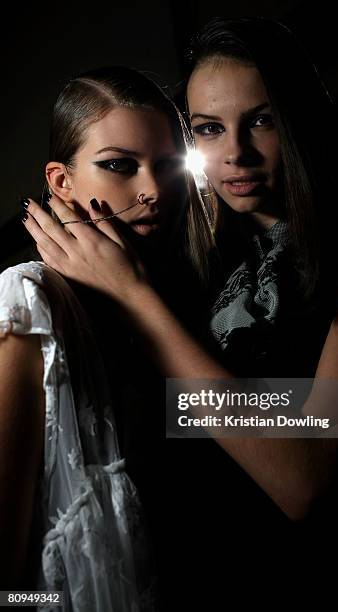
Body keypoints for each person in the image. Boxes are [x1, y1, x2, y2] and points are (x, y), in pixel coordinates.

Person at [20, 18, 338, 608]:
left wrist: (139, 302)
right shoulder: (190, 239)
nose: (235, 153)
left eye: (261, 120)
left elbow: (307, 477)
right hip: (186, 575)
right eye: (208, 128)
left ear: (300, 118)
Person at [0, 65, 207, 609]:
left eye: (169, 166)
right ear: (61, 180)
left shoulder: (180, 289)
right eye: (118, 165)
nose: (151, 191)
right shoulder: (28, 301)